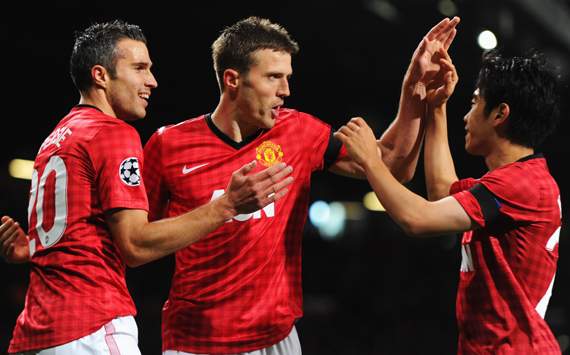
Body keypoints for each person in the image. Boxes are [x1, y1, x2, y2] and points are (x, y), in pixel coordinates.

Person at [143, 16, 460, 354]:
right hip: (195, 340)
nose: (286, 90)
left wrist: (414, 87)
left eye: (287, 77)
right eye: (273, 77)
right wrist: (223, 208)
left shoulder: (298, 131)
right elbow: (138, 243)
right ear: (232, 79)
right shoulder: (169, 145)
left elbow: (393, 165)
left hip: (276, 339)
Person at [0, 20, 293, 355]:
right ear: (101, 75)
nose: (151, 81)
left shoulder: (54, 140)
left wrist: (34, 251)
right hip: (90, 325)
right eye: (139, 68)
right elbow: (135, 245)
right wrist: (226, 205)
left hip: (36, 333)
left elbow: (75, 233)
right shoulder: (112, 133)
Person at [335, 48, 562, 353]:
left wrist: (371, 160)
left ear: (500, 114)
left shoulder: (523, 185)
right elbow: (443, 192)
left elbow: (417, 219)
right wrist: (436, 107)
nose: (466, 116)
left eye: (474, 103)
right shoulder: (515, 182)